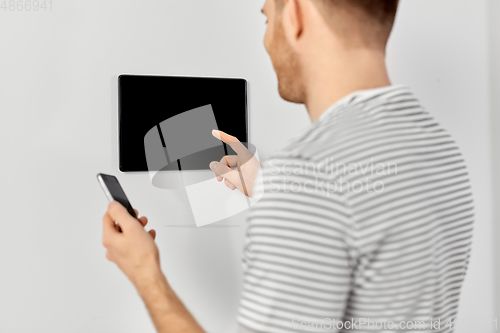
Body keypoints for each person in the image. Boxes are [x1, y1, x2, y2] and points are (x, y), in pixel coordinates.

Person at [102, 0, 474, 332]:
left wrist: (145, 272)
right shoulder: (439, 148)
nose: (266, 41)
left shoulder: (309, 171)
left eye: (267, 18)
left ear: (295, 14)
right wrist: (274, 188)